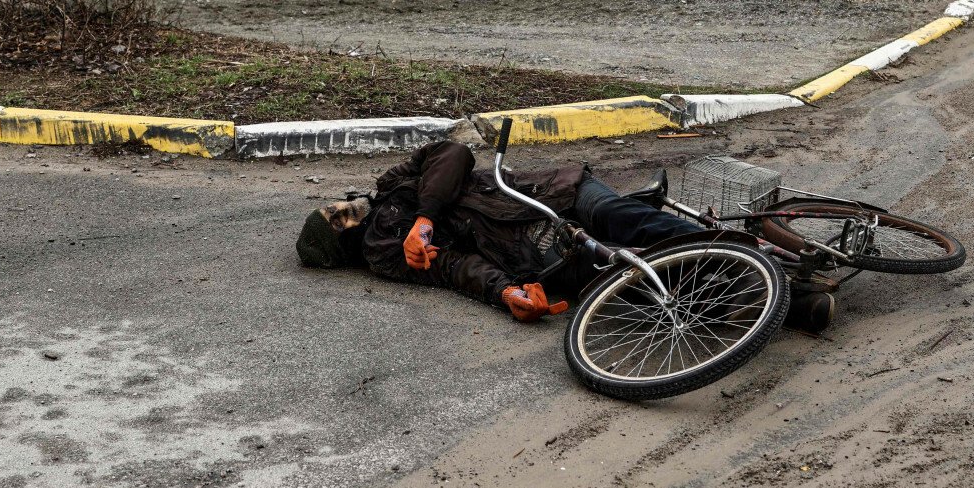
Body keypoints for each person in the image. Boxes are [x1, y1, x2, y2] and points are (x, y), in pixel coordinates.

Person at [297, 142, 836, 331]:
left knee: (633, 223)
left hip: (554, 195)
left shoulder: (394, 187)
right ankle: (794, 304)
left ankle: (753, 258)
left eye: (334, 206)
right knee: (646, 287)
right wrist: (506, 292)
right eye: (337, 220)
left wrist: (425, 215)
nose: (344, 209)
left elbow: (453, 154)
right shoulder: (387, 255)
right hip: (539, 254)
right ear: (343, 245)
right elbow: (458, 269)